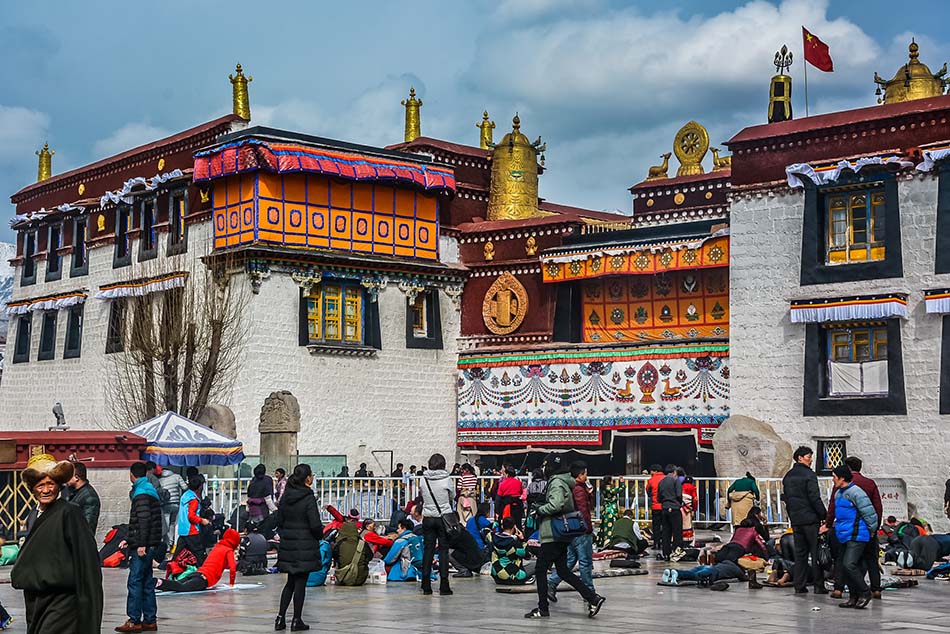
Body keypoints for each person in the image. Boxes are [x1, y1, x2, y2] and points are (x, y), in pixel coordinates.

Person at [11, 454, 102, 634]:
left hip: (62, 601)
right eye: (40, 485)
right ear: (32, 489)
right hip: (36, 599)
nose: (46, 490)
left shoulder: (69, 513)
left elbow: (87, 560)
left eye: (50, 484)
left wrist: (89, 604)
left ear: (59, 486)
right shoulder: (33, 515)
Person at [526, 453, 605, 620]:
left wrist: (540, 510)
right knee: (563, 570)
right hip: (561, 533)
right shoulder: (565, 482)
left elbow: (556, 504)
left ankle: (543, 608)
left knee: (540, 569)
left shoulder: (556, 482)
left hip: (553, 533)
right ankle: (593, 598)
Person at [826, 456, 883, 600]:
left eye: (834, 477)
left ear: (842, 477)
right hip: (845, 533)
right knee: (862, 562)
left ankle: (863, 591)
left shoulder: (856, 492)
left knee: (848, 564)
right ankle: (856, 596)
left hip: (857, 533)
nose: (833, 480)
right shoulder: (842, 491)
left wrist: (871, 530)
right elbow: (878, 507)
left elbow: (869, 512)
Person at [275, 463, 323, 631]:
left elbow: (279, 520)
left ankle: (280, 618)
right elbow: (315, 524)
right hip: (305, 544)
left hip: (289, 543)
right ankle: (297, 619)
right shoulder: (308, 497)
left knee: (290, 582)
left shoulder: (286, 496)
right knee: (300, 583)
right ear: (308, 478)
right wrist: (319, 536)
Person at [116, 461, 163, 633]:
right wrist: (130, 538)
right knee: (147, 582)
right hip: (150, 543)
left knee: (135, 581)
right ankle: (150, 620)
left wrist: (141, 543)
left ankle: (134, 620)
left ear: (132, 474)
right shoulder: (149, 489)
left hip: (144, 546)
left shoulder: (141, 493)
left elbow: (143, 520)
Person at [781, 446, 828, 595]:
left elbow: (787, 499)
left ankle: (799, 585)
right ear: (800, 458)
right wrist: (823, 515)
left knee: (800, 554)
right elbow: (814, 497)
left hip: (796, 519)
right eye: (808, 457)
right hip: (810, 519)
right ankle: (818, 585)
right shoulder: (809, 475)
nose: (811, 460)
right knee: (815, 553)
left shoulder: (788, 476)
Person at [548, 461, 595, 602]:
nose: (586, 476)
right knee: (585, 562)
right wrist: (588, 529)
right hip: (580, 530)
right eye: (585, 473)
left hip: (570, 529)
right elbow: (583, 510)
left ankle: (552, 582)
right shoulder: (578, 489)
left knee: (569, 561)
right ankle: (589, 592)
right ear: (580, 475)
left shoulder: (571, 487)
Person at [157, 528, 239, 592]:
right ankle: (158, 582)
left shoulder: (217, 547)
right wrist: (231, 583)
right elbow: (232, 567)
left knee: (177, 584)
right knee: (183, 588)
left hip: (198, 572)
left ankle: (155, 583)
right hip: (205, 578)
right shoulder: (228, 550)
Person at [420, 452, 455, 595]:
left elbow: (422, 494)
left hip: (428, 517)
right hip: (443, 517)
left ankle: (426, 583)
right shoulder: (447, 479)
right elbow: (452, 496)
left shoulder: (424, 479)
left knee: (428, 550)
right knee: (443, 551)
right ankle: (444, 584)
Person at [489, 518, 535, 585]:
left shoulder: (493, 538)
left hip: (497, 576)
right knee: (535, 564)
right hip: (511, 576)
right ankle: (523, 579)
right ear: (514, 527)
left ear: (502, 526)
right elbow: (527, 555)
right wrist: (522, 539)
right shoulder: (514, 543)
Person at [177, 474, 211, 563]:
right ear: (200, 486)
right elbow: (191, 516)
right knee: (199, 553)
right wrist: (202, 520)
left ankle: (169, 568)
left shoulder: (185, 496)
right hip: (191, 530)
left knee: (177, 555)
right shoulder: (193, 500)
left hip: (183, 529)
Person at [335, 511, 371, 586]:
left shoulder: (339, 544)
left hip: (343, 578)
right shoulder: (363, 543)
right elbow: (370, 556)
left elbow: (335, 557)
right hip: (360, 578)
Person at [657, 464, 684, 561]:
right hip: (675, 508)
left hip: (664, 509)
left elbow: (658, 498)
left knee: (666, 532)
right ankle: (676, 553)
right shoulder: (676, 481)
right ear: (674, 472)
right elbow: (679, 495)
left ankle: (666, 553)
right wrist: (679, 503)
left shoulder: (661, 482)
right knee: (677, 532)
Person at [66, 460, 101, 535]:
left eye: (68, 475)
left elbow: (88, 527)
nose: (66, 479)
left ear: (76, 478)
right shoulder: (74, 491)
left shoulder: (90, 497)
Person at [158, 466, 186, 549]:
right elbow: (185, 487)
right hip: (176, 504)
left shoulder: (159, 480)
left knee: (165, 524)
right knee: (172, 523)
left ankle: (166, 545)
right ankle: (171, 542)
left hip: (165, 504)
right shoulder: (177, 476)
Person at [595, 475, 621, 549]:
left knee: (606, 525)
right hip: (610, 510)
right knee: (610, 526)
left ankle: (604, 541)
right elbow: (619, 490)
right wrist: (622, 484)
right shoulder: (608, 488)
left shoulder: (604, 488)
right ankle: (609, 541)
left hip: (607, 508)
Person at [645, 464, 665, 557]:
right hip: (665, 506)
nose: (650, 473)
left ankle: (656, 543)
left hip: (655, 507)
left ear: (655, 471)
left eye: (651, 471)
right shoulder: (666, 479)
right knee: (666, 526)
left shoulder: (651, 480)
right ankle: (665, 543)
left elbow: (648, 492)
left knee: (656, 526)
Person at [681, 475, 698, 545]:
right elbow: (695, 499)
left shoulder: (680, 486)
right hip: (687, 509)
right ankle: (687, 540)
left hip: (679, 507)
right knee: (687, 524)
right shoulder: (692, 488)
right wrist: (694, 509)